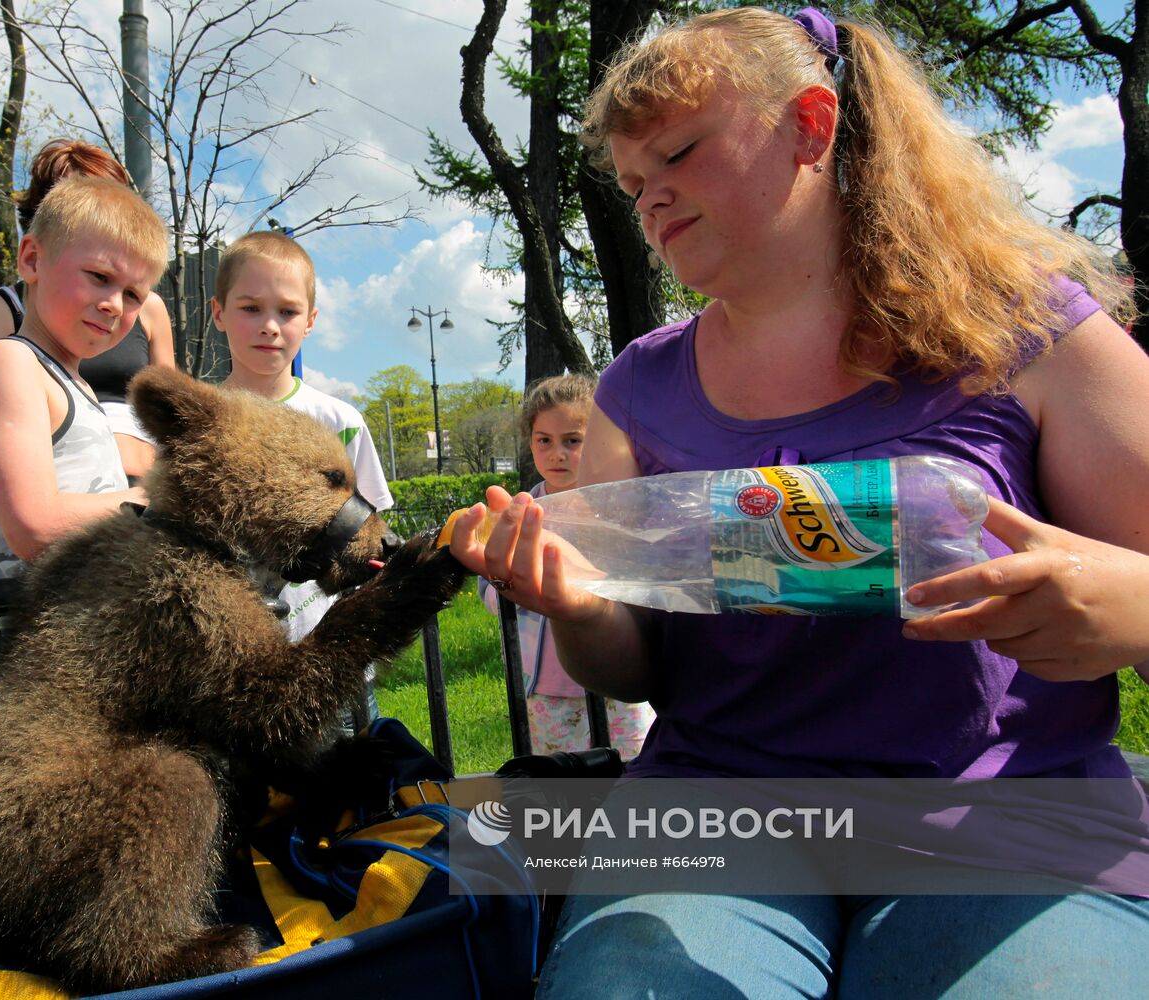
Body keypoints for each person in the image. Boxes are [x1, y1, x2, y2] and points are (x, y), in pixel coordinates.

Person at [449, 8, 1149, 997]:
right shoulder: (634, 390)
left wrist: (1123, 602)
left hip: (1012, 822)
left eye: (677, 155)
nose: (650, 199)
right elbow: (628, 664)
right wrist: (579, 607)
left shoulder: (1023, 328)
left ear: (811, 127)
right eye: (631, 184)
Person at [211, 231, 393, 717]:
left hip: (331, 656)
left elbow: (373, 531)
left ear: (310, 322)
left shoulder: (341, 421)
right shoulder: (202, 425)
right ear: (218, 313)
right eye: (250, 308)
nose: (269, 326)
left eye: (287, 312)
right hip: (233, 666)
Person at [0, 175, 163, 580]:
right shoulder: (10, 363)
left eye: (132, 296)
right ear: (32, 260)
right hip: (52, 638)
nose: (113, 305)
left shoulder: (75, 383)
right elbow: (34, 525)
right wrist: (153, 501)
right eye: (99, 277)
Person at [0, 139, 175, 482]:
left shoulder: (148, 310)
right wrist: (100, 446)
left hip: (142, 495)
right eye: (98, 276)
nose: (114, 304)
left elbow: (170, 421)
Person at [479, 373, 654, 757]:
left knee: (632, 780)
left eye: (573, 441)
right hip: (548, 688)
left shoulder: (618, 506)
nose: (557, 453)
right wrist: (519, 592)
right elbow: (489, 587)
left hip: (618, 684)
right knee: (564, 792)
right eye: (545, 440)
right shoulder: (519, 512)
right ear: (530, 443)